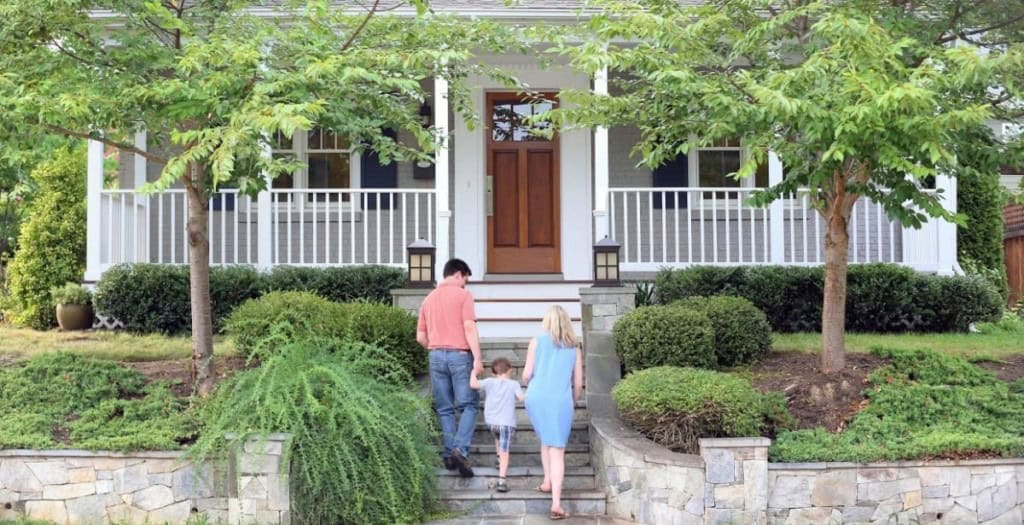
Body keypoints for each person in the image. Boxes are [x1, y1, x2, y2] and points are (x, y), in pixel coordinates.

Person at [416, 258, 483, 478]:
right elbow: (469, 326)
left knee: (444, 408)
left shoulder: (428, 299)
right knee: (469, 405)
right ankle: (460, 450)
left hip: (435, 355)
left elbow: (420, 337)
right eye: (465, 279)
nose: (465, 284)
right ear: (458, 274)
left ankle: (448, 454)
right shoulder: (463, 296)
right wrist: (478, 359)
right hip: (459, 355)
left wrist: (435, 350)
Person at [523, 305, 584, 521]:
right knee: (557, 449)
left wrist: (529, 381)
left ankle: (547, 481)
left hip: (536, 398)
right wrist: (573, 401)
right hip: (560, 401)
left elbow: (526, 374)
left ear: (547, 321)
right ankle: (556, 504)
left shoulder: (536, 341)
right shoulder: (574, 348)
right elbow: (578, 384)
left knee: (545, 440)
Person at [470, 357, 525, 493]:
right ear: (510, 370)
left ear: (493, 373)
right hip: (506, 424)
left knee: (497, 438)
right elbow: (521, 398)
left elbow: (473, 384)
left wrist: (474, 371)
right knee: (505, 450)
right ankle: (502, 480)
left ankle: (498, 458)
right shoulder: (514, 384)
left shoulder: (489, 382)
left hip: (492, 422)